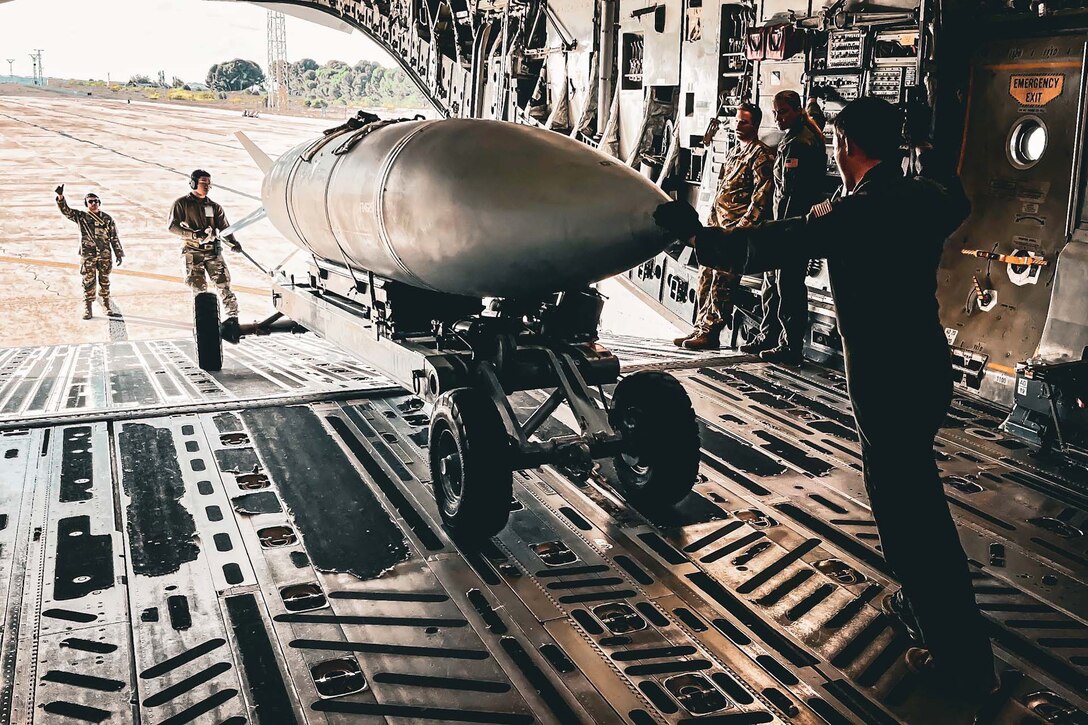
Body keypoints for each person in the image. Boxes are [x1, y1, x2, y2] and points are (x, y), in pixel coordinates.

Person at [654, 97, 1000, 711]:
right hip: (926, 371)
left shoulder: (854, 214)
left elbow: (769, 244)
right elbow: (955, 193)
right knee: (914, 496)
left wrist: (693, 235)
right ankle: (922, 607)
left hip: (885, 380)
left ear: (844, 146)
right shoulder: (923, 198)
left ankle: (962, 657)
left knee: (909, 520)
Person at [675, 102, 774, 350]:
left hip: (733, 231)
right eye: (737, 121)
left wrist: (743, 229)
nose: (739, 126)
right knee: (705, 278)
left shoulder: (761, 155)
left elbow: (761, 197)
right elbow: (721, 187)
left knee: (723, 283)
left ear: (756, 125)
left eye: (745, 122)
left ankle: (711, 332)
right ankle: (699, 327)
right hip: (715, 225)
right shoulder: (733, 153)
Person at [741, 90, 827, 364]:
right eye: (775, 112)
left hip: (791, 228)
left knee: (787, 286)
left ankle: (790, 347)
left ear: (796, 110)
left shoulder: (799, 143)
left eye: (783, 112)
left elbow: (791, 194)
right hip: (784, 225)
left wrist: (778, 231)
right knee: (771, 283)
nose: (777, 118)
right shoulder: (797, 134)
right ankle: (768, 335)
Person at [168, 169, 242, 328]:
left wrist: (233, 242)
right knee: (199, 290)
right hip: (192, 252)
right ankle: (204, 323)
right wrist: (193, 235)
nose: (207, 186)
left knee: (224, 285)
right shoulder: (182, 204)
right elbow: (172, 227)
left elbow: (224, 228)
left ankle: (233, 318)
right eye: (203, 182)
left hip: (212, 252)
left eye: (209, 183)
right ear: (193, 183)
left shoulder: (214, 207)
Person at [55, 185, 124, 320]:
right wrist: (61, 197)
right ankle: (88, 307)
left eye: (96, 201)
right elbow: (66, 211)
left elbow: (114, 236)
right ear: (86, 203)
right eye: (91, 201)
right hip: (88, 255)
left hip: (104, 254)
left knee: (105, 280)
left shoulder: (107, 218)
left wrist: (118, 253)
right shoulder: (81, 216)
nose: (94, 203)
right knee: (88, 281)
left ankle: (106, 304)